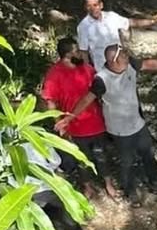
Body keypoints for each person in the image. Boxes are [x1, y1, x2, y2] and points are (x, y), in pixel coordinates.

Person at [66, 43, 157, 203]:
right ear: (113, 61)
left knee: (149, 155)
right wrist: (70, 117)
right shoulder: (102, 79)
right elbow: (88, 99)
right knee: (127, 162)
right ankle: (131, 193)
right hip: (120, 131)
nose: (127, 58)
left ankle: (156, 183)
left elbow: (150, 64)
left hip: (138, 123)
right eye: (123, 57)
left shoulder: (130, 65)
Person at [0, 116, 98, 230]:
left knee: (33, 218)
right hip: (43, 184)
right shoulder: (38, 139)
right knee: (67, 205)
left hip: (17, 190)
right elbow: (54, 161)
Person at [41, 38, 118, 198]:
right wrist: (59, 125)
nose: (80, 54)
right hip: (74, 127)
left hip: (96, 122)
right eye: (76, 51)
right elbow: (50, 102)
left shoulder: (86, 68)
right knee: (82, 159)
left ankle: (108, 183)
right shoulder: (54, 75)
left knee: (101, 155)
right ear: (68, 54)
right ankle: (87, 186)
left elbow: (98, 89)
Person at [76, 0, 157, 72]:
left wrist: (152, 22)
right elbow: (84, 51)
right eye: (89, 6)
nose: (92, 9)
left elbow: (131, 22)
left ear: (101, 5)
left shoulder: (111, 16)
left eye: (95, 5)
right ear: (85, 8)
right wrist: (88, 72)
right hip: (104, 68)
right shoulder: (83, 26)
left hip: (123, 61)